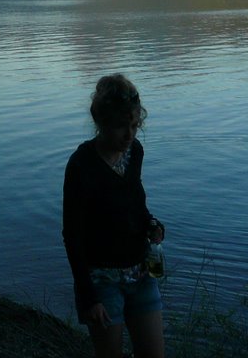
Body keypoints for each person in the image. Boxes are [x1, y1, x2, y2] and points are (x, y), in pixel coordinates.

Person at [62, 74, 165, 358]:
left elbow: (135, 204)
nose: (130, 135)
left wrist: (152, 225)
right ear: (101, 121)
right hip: (102, 282)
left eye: (134, 125)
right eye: (122, 126)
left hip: (141, 274)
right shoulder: (81, 165)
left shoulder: (135, 153)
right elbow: (72, 235)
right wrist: (88, 297)